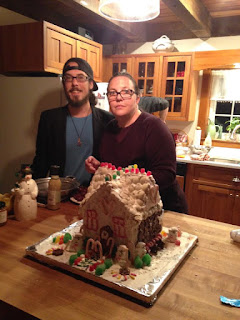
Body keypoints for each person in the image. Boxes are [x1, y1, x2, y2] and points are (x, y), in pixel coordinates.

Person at [85, 72, 188, 213]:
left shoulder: (155, 127)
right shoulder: (109, 128)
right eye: (113, 93)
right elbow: (115, 169)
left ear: (137, 98)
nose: (119, 98)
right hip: (127, 210)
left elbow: (166, 176)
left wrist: (126, 181)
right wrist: (100, 168)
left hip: (163, 210)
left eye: (126, 92)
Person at [31, 57, 114, 186]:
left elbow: (114, 164)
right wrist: (29, 192)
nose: (74, 83)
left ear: (91, 84)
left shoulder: (108, 121)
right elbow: (40, 163)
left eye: (81, 77)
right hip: (61, 196)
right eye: (68, 78)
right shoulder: (49, 119)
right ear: (64, 84)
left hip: (96, 196)